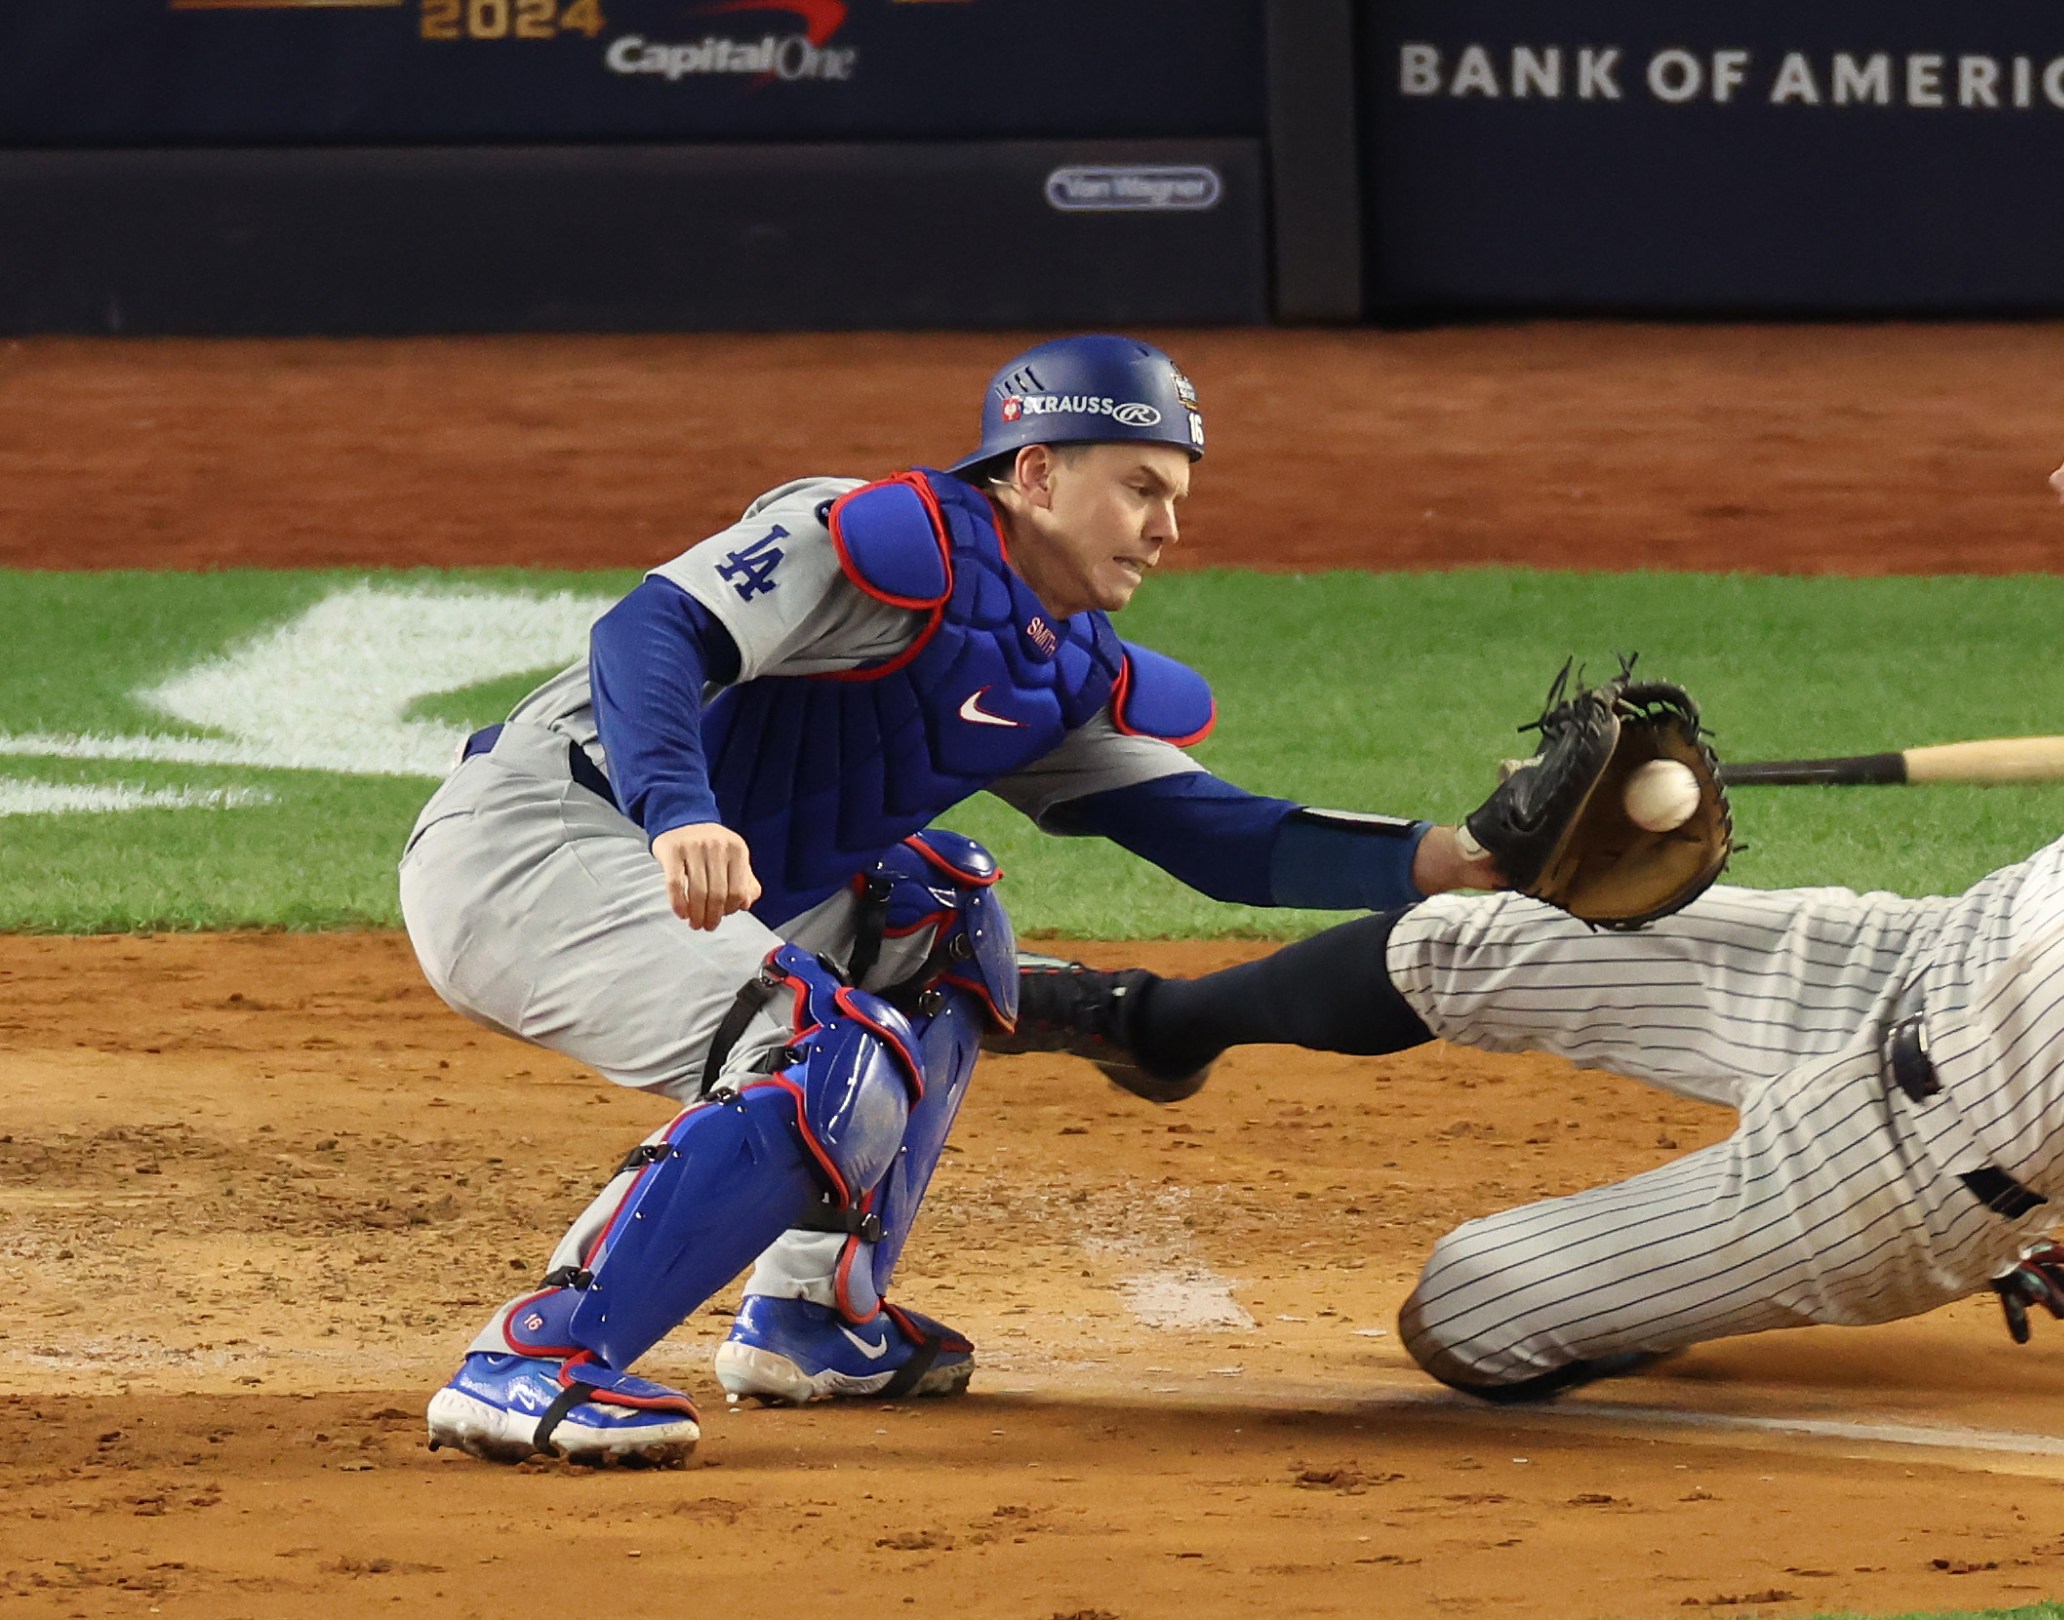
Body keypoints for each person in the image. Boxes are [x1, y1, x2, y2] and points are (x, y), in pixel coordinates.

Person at [1001, 438, 2064, 1460]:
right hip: (1887, 963)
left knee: (1463, 1314)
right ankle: (1160, 1029)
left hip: (1906, 1185)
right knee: (1471, 931)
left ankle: (1697, 1294)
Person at [398, 335, 1499, 1467]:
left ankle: (817, 1315)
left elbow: (1215, 833)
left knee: (943, 919)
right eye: (1140, 488)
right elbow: (650, 630)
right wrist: (680, 809)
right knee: (828, 1047)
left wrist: (1457, 857)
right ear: (1034, 473)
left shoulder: (1055, 664)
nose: (1168, 528)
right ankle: (537, 1359)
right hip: (537, 843)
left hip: (675, 874)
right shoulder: (868, 536)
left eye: (1175, 495)